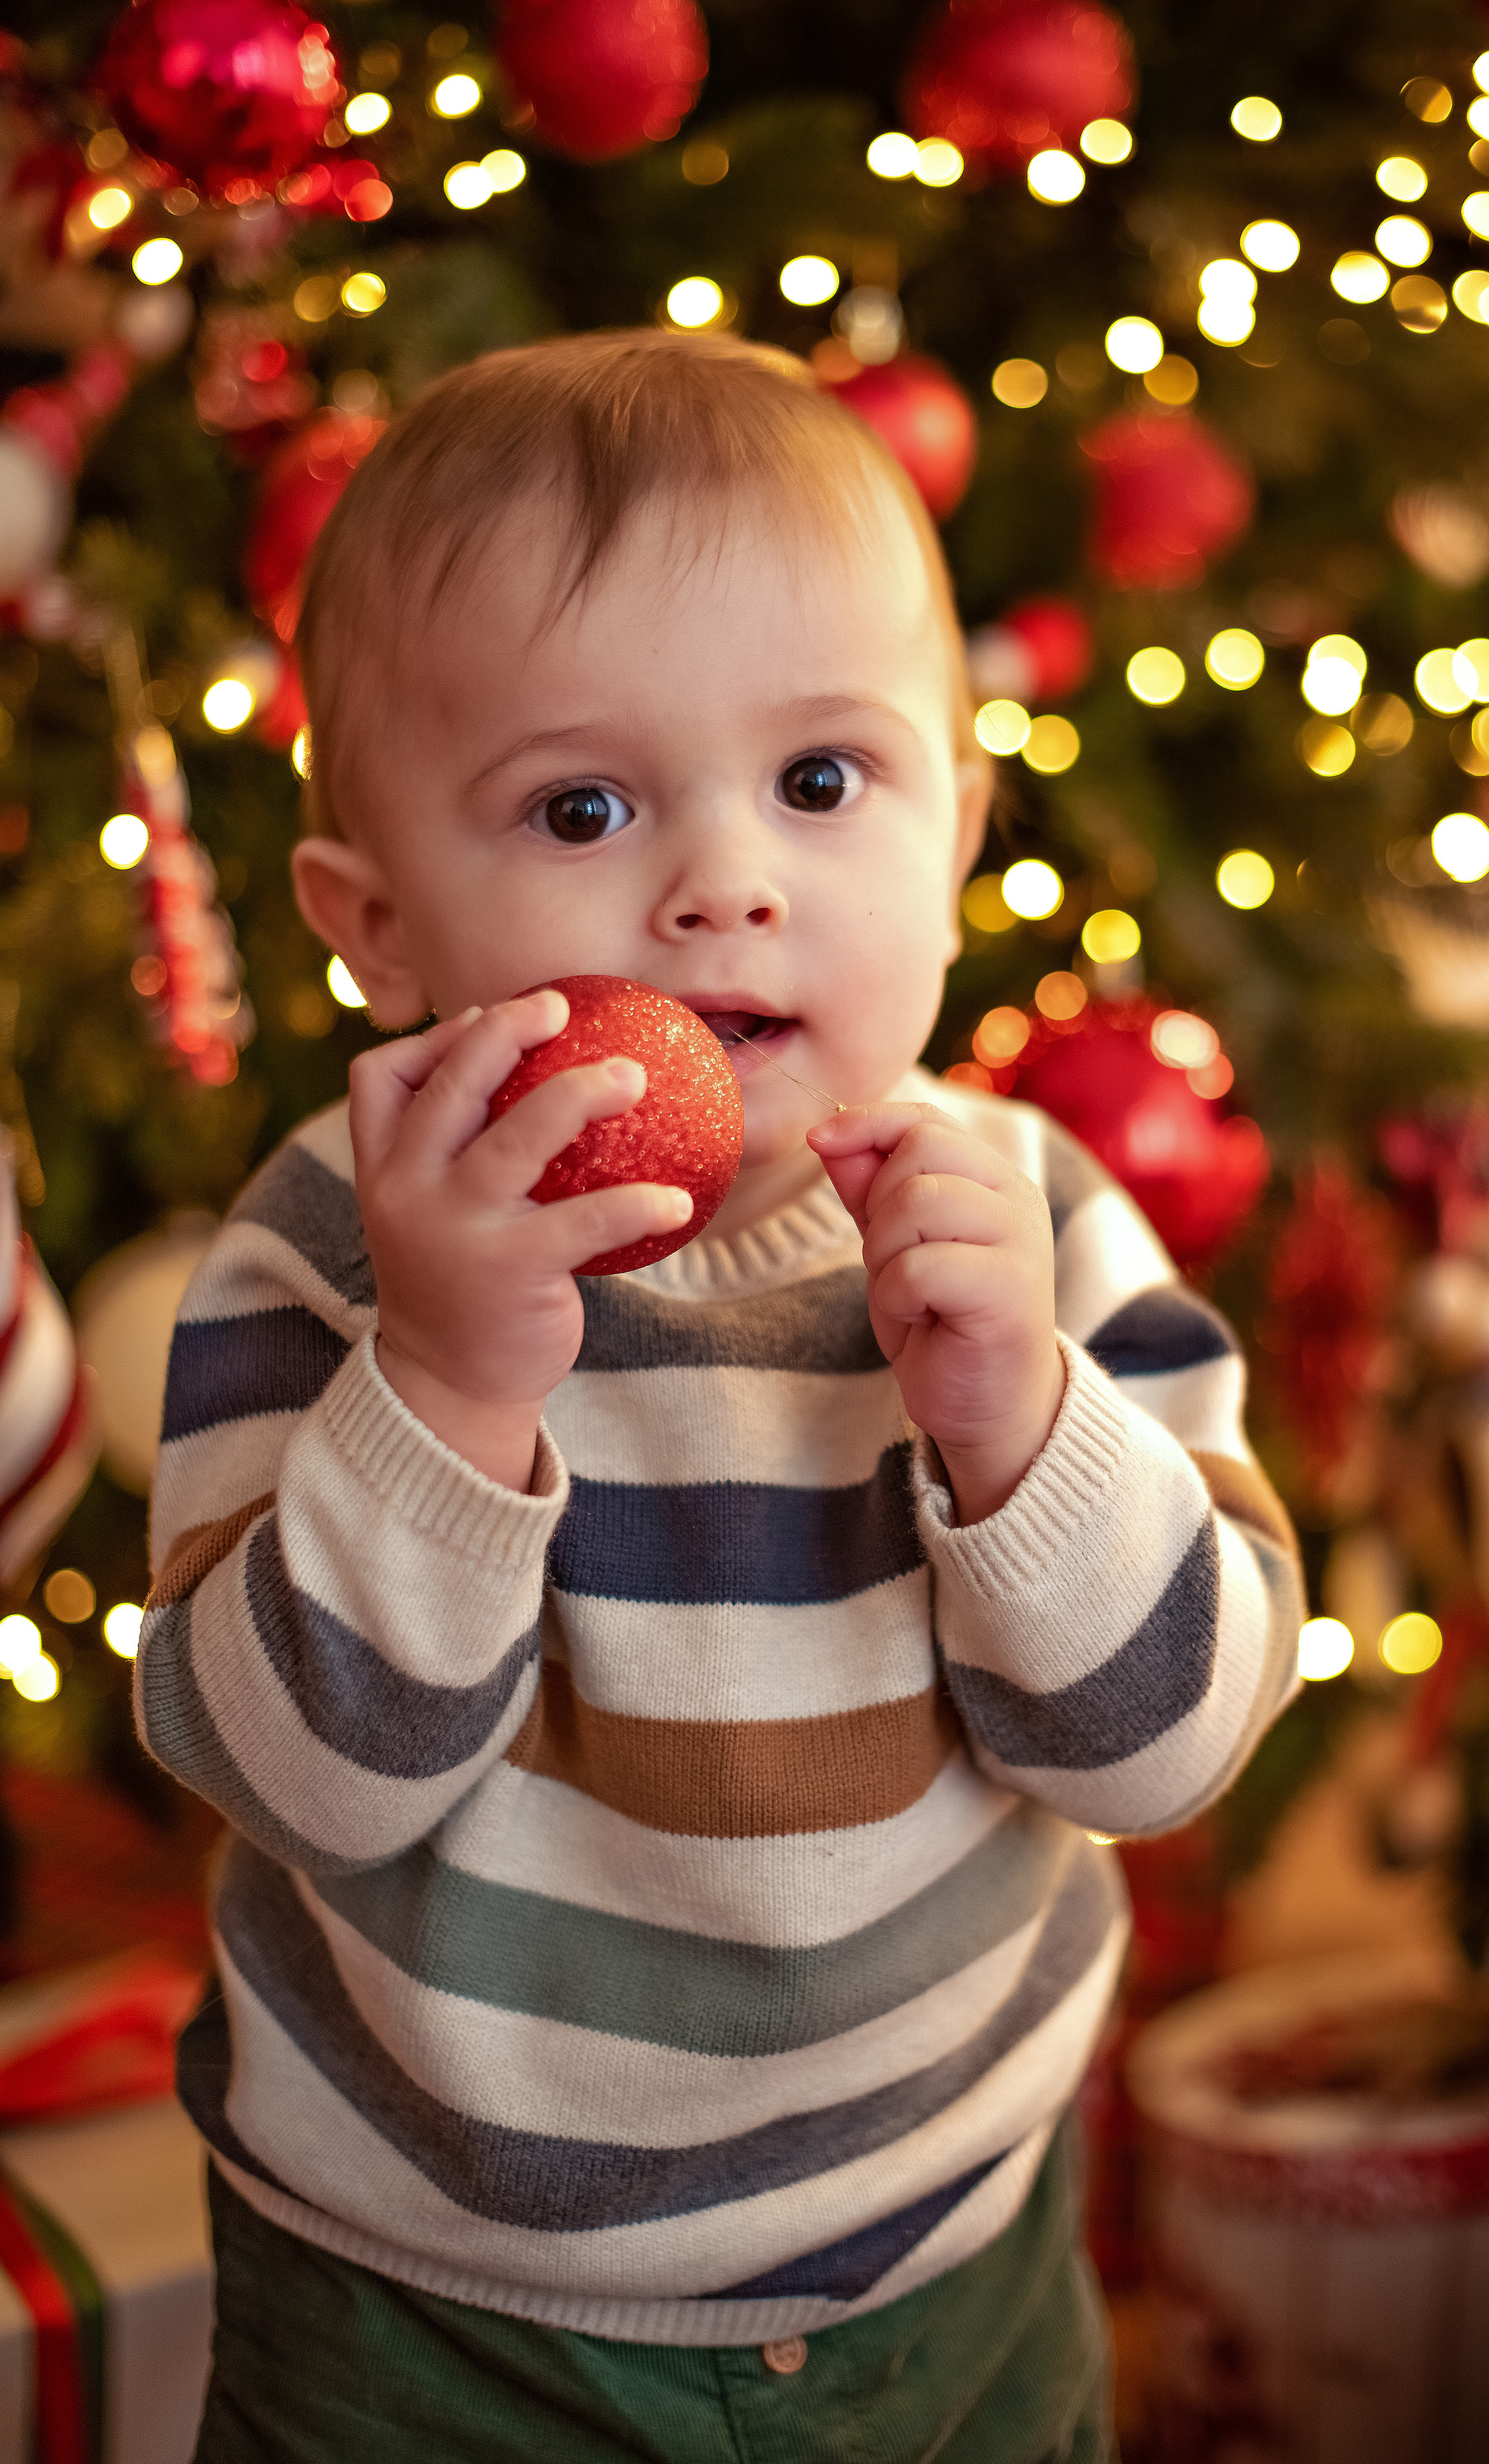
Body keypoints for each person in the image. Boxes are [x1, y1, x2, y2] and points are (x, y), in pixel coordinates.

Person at [138, 330, 1304, 2464]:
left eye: (824, 781)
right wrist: (447, 1379)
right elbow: (301, 1773)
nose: (721, 884)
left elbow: (1170, 1744)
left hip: (950, 2257)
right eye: (583, 806)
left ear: (961, 825)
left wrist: (1022, 1429)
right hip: (435, 2314)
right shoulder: (327, 1250)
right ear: (376, 928)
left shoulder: (1025, 1221)